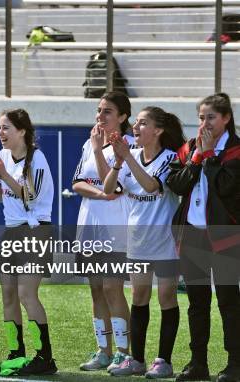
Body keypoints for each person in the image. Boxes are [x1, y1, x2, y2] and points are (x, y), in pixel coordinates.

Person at [0, 109, 57, 376]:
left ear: (22, 131)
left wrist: (3, 175)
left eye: (6, 128)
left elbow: (30, 197)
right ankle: (16, 352)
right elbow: (1, 197)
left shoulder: (36, 158)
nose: (0, 133)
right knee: (7, 294)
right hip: (11, 232)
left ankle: (45, 357)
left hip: (36, 231)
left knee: (26, 293)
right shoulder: (3, 157)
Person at [102, 107, 185, 378]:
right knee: (139, 296)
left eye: (142, 123)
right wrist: (117, 162)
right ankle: (136, 360)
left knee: (166, 297)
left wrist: (127, 157)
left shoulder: (171, 158)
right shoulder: (131, 156)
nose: (135, 127)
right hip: (137, 239)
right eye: (135, 123)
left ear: (158, 130)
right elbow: (108, 189)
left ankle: (164, 360)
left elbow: (151, 186)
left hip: (165, 240)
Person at [166, 93, 240, 382]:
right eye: (200, 117)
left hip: (224, 236)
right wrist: (197, 157)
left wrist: (209, 157)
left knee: (229, 302)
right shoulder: (190, 148)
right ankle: (199, 363)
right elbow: (176, 184)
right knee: (197, 303)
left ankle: (235, 364)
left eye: (210, 117)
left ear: (226, 119)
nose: (204, 123)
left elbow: (227, 188)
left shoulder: (236, 150)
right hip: (193, 235)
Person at [72, 91, 133, 373]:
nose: (101, 116)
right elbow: (77, 183)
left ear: (122, 116)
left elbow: (116, 186)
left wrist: (99, 151)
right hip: (88, 225)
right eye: (99, 110)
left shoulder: (128, 144)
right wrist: (99, 192)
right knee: (96, 289)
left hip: (115, 226)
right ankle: (103, 351)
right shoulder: (89, 143)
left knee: (112, 287)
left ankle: (123, 352)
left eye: (108, 111)